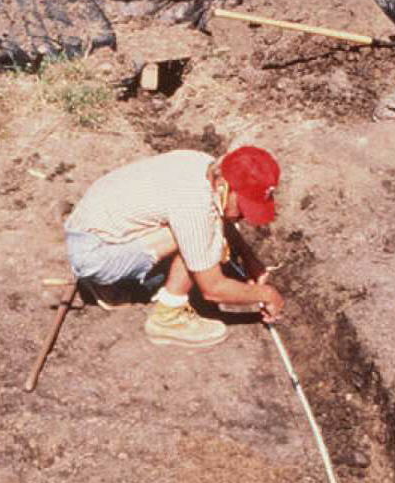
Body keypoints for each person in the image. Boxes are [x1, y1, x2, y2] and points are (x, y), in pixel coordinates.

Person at [64, 146, 286, 349]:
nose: (243, 217)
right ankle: (167, 318)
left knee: (204, 230)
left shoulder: (203, 164)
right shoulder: (193, 205)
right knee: (203, 238)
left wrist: (249, 258)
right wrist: (267, 294)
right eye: (243, 208)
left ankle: (110, 287)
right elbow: (213, 289)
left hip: (92, 228)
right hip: (95, 256)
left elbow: (213, 213)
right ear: (223, 187)